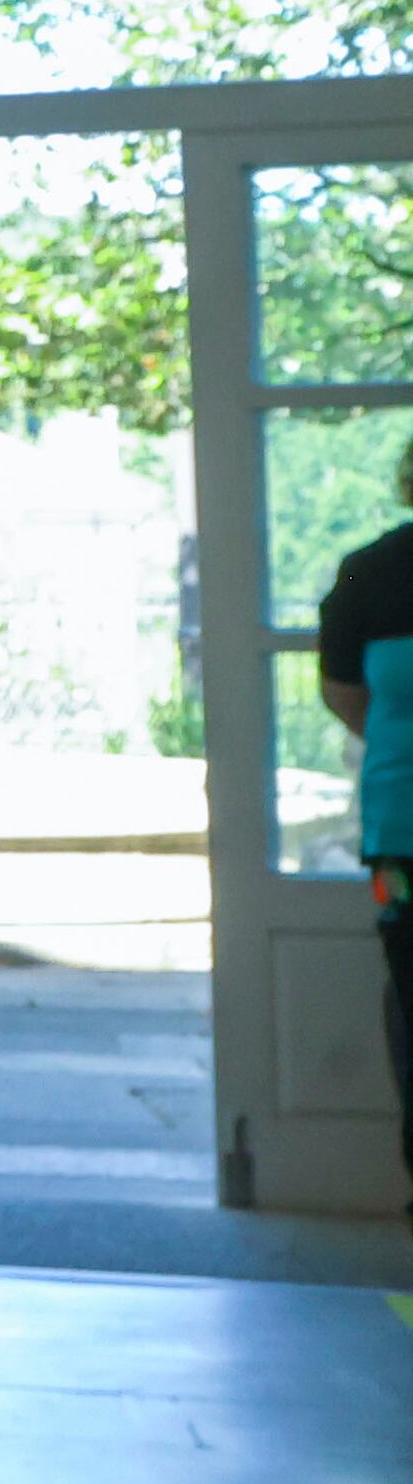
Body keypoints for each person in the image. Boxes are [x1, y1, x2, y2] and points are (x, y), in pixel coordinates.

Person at [313, 433, 413, 1219]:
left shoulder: (370, 574)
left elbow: (352, 703)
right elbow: (347, 698)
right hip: (403, 837)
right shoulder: (372, 575)